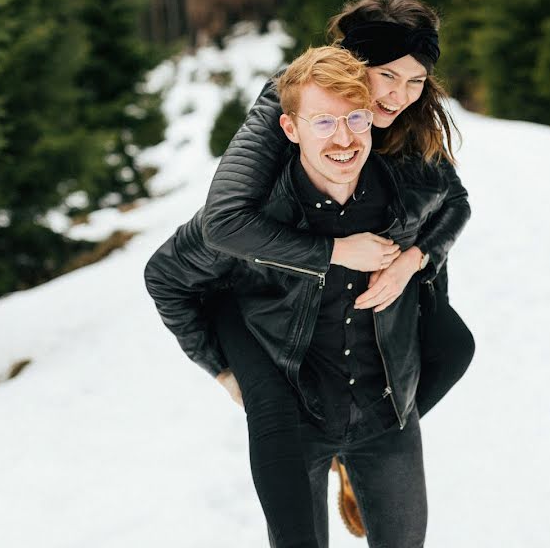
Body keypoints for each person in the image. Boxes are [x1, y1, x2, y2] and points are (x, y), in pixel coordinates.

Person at [146, 45, 462, 547]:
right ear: (290, 129)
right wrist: (222, 370)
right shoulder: (251, 220)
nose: (343, 138)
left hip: (387, 415)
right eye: (322, 122)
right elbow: (165, 277)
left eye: (356, 118)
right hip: (296, 421)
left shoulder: (405, 193)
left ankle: (351, 468)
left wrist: (415, 259)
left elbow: (457, 204)